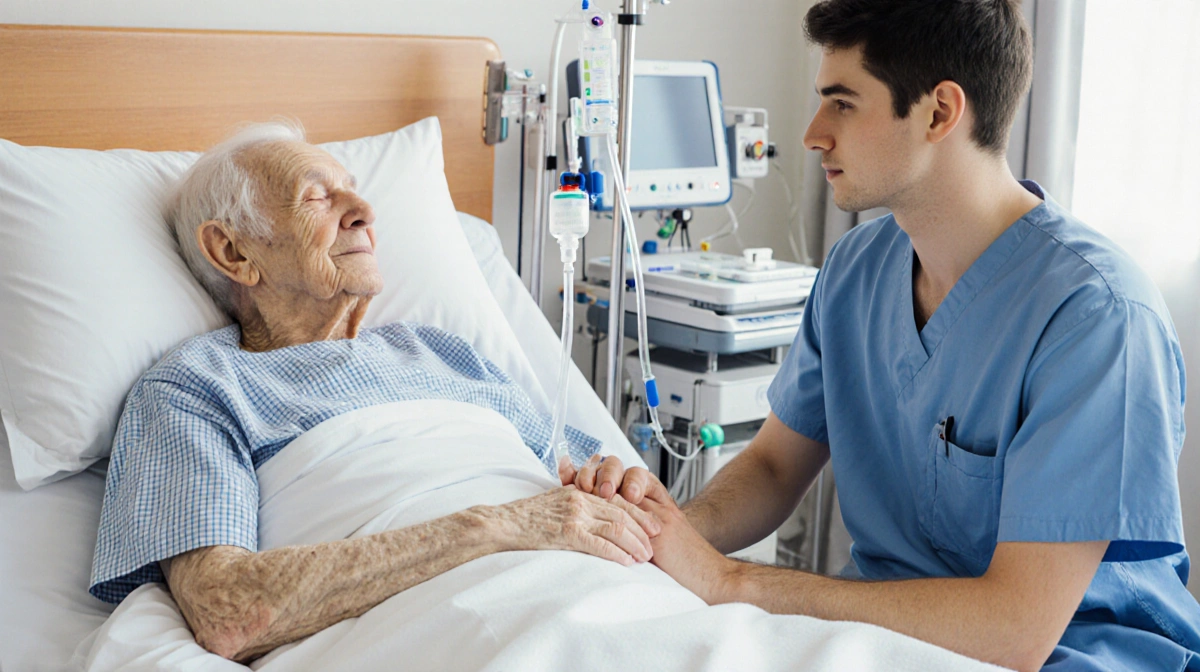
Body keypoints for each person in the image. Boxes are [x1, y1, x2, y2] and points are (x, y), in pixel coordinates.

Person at [609, 1, 1200, 670]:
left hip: (1074, 652)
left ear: (940, 113)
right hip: (887, 636)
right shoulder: (856, 269)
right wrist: (658, 527)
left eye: (842, 104)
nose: (812, 134)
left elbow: (1016, 629)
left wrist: (732, 582)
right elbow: (775, 468)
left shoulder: (1098, 317)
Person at [88, 122, 654, 663]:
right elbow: (228, 610)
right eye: (317, 199)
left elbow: (586, 498)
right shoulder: (197, 387)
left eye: (353, 194)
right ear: (234, 253)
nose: (364, 212)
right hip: (460, 629)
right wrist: (496, 527)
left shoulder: (445, 351)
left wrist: (615, 485)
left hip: (621, 603)